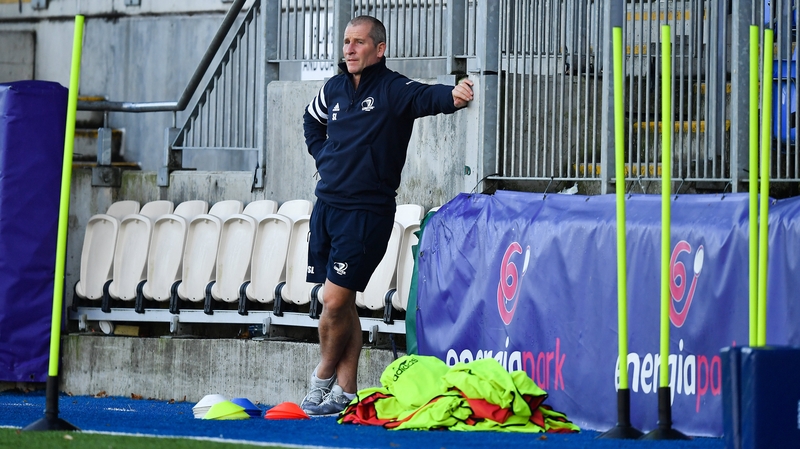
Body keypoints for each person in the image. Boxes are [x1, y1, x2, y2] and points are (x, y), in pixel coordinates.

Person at [300, 15, 474, 416]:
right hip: (326, 207)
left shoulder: (393, 89)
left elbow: (426, 97)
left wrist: (455, 95)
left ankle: (320, 379)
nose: (349, 49)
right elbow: (312, 120)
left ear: (379, 49)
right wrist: (322, 154)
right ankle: (345, 392)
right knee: (343, 305)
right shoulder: (333, 88)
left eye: (359, 42)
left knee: (333, 301)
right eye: (346, 41)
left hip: (366, 213)